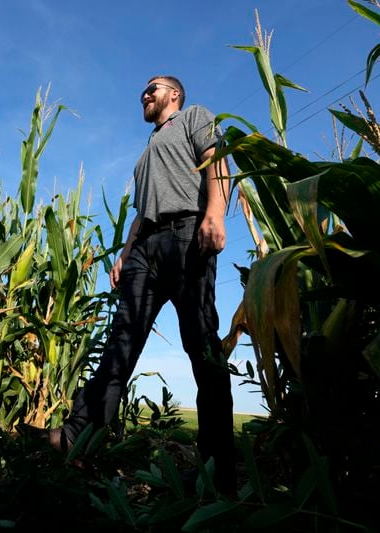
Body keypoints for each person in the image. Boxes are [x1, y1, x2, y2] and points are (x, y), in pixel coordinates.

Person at [45, 75, 236, 494]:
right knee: (120, 343)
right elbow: (140, 213)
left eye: (154, 87)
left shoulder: (194, 117)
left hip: (187, 235)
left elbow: (217, 163)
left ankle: (219, 470)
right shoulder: (147, 152)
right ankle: (77, 438)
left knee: (202, 345)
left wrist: (215, 214)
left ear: (175, 94)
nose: (145, 94)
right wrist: (125, 253)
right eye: (144, 90)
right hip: (146, 245)